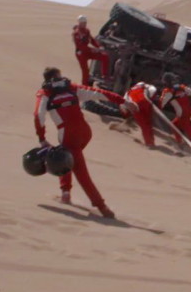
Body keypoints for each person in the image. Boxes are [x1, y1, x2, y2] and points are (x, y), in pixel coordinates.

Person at [33, 67, 125, 219]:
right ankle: (65, 192)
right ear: (58, 76)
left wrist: (42, 138)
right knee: (64, 156)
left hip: (69, 136)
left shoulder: (45, 94)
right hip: (85, 132)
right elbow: (98, 93)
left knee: (79, 171)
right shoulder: (71, 87)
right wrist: (123, 101)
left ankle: (102, 207)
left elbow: (38, 116)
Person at [159, 73, 191, 150]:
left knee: (189, 131)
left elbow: (161, 103)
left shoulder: (168, 91)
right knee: (174, 125)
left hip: (182, 114)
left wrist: (155, 103)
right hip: (188, 111)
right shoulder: (181, 87)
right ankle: (180, 142)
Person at [72, 15, 112, 86]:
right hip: (81, 53)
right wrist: (94, 49)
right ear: (79, 23)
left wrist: (99, 46)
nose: (84, 24)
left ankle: (105, 75)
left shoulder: (87, 30)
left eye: (85, 22)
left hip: (88, 51)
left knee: (104, 57)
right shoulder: (76, 33)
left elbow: (91, 40)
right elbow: (81, 46)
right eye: (82, 23)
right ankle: (85, 85)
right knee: (85, 71)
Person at [123, 81, 158, 148]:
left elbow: (126, 106)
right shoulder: (141, 84)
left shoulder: (127, 94)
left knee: (144, 125)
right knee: (148, 123)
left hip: (137, 106)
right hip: (145, 102)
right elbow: (153, 90)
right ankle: (151, 141)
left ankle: (149, 143)